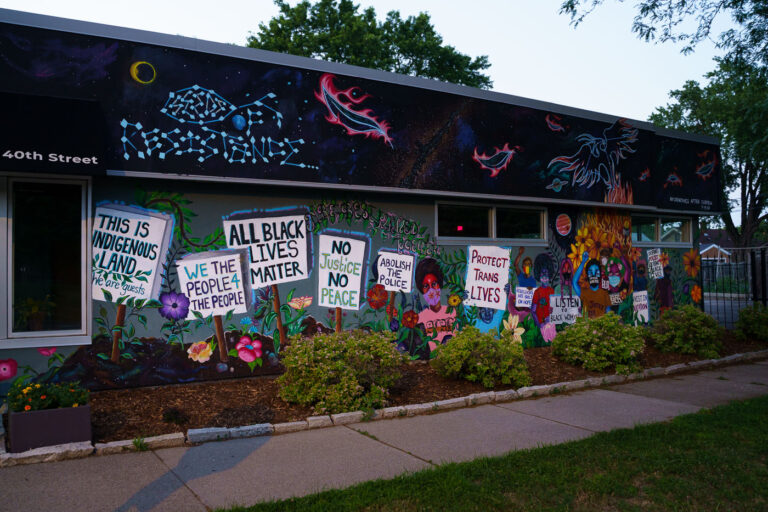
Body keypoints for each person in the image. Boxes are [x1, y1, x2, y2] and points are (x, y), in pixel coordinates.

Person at [414, 258, 456, 345]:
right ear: (422, 290)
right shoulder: (420, 318)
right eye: (426, 286)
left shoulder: (453, 312)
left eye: (434, 284)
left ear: (439, 285)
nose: (431, 290)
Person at [574, 251, 611, 318]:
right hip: (587, 327)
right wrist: (583, 262)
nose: (593, 275)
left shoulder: (604, 293)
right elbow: (574, 282)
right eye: (590, 272)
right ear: (587, 275)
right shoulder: (584, 292)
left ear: (600, 274)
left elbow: (609, 315)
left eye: (596, 272)